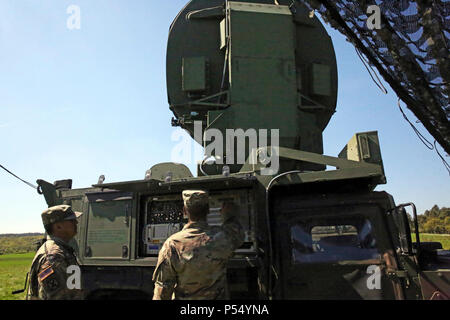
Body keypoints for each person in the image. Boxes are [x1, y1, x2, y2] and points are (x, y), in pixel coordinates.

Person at [152, 190, 244, 300]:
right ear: (208, 211)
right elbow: (236, 231)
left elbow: (163, 290)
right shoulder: (223, 237)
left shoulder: (172, 245)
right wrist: (228, 214)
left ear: (184, 211)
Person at [27, 205, 84, 300]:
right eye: (71, 221)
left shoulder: (61, 250)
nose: (76, 222)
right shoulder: (54, 256)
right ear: (58, 226)